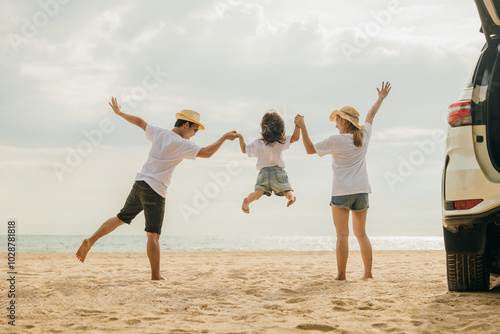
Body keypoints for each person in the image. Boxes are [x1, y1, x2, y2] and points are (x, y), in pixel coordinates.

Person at [76, 97, 237, 280]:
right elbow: (207, 153)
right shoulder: (182, 144)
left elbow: (139, 122)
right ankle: (156, 275)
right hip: (155, 190)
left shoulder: (159, 132)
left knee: (121, 217)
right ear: (185, 125)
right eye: (194, 130)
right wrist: (224, 137)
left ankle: (91, 240)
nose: (194, 134)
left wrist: (120, 113)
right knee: (153, 234)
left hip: (139, 183)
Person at [295, 82, 391, 280]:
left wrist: (303, 127)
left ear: (346, 122)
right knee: (362, 234)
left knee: (342, 235)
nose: (335, 123)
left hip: (341, 192)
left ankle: (341, 276)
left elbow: (310, 149)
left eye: (337, 120)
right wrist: (381, 98)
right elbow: (370, 116)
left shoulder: (336, 140)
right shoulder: (364, 136)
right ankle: (368, 274)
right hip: (361, 191)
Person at [236, 109, 300, 214]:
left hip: (263, 173)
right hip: (278, 172)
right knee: (287, 190)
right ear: (280, 128)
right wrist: (297, 125)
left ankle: (248, 200)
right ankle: (291, 197)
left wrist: (241, 137)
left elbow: (244, 149)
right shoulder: (281, 140)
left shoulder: (258, 143)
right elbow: (295, 138)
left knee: (257, 193)